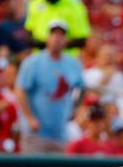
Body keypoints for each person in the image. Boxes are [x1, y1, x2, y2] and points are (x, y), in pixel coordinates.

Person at [15, 20, 85, 153]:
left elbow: (82, 87)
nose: (57, 39)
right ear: (48, 37)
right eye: (54, 34)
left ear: (66, 40)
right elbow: (20, 90)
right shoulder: (33, 62)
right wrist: (30, 117)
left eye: (61, 35)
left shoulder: (73, 63)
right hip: (36, 133)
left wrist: (76, 108)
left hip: (61, 133)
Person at [24, 0, 91, 47]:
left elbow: (82, 39)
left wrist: (56, 45)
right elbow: (29, 32)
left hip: (66, 56)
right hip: (40, 54)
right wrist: (41, 44)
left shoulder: (75, 5)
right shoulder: (35, 2)